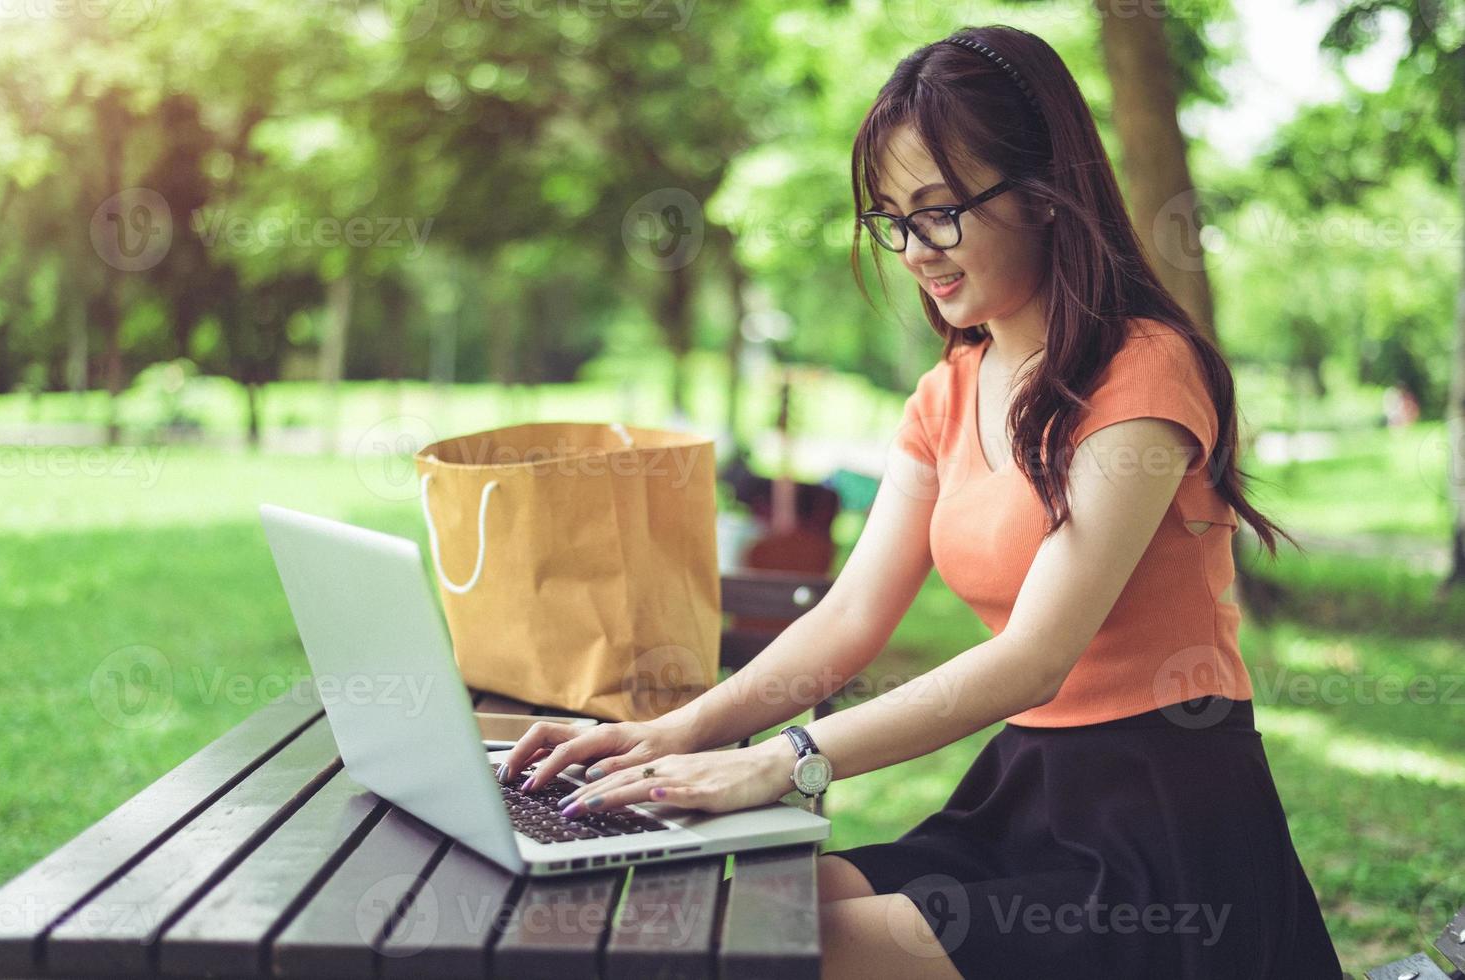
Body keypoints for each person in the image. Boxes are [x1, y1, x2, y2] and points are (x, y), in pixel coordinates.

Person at [496, 24, 1344, 980]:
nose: (912, 251)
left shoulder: (1143, 370)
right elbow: (853, 613)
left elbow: (1034, 657)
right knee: (707, 910)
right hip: (1025, 795)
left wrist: (785, 760)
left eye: (940, 213)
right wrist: (681, 731)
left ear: (1045, 191)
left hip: (1162, 830)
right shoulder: (950, 390)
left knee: (773, 948)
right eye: (892, 220)